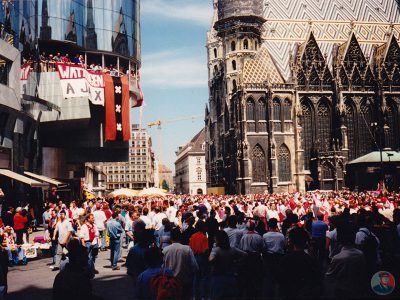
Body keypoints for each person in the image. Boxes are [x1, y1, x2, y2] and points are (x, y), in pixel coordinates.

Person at [276, 227, 323, 299]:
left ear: (291, 241)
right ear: (305, 241)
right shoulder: (310, 260)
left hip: (290, 294)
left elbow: (281, 281)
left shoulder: (285, 259)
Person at [326, 221, 367, 299]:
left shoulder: (337, 258)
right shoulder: (360, 254)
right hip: (356, 288)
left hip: (342, 289)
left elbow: (329, 276)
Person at [209, 230, 247, 300]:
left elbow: (211, 259)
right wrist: (237, 262)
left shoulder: (216, 250)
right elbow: (244, 254)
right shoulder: (232, 249)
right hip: (230, 277)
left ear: (218, 240)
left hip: (218, 277)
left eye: (215, 238)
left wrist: (215, 262)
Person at [162, 227, 198, 300]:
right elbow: (195, 267)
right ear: (180, 237)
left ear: (171, 238)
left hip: (170, 284)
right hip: (185, 283)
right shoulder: (187, 249)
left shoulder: (165, 250)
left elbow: (162, 267)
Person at [189, 220, 209, 300]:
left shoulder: (193, 236)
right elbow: (205, 250)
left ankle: (194, 295)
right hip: (202, 257)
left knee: (195, 277)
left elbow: (190, 248)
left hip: (194, 257)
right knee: (203, 277)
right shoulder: (204, 237)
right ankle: (202, 296)